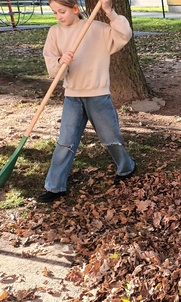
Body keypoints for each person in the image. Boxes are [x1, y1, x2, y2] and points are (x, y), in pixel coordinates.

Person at [37, 0, 136, 203]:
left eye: (62, 11)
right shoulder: (55, 33)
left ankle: (126, 167)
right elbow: (52, 68)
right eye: (55, 12)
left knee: (110, 137)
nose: (58, 16)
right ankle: (55, 186)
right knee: (65, 141)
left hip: (97, 94)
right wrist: (60, 62)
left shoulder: (97, 29)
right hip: (72, 96)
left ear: (75, 9)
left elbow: (124, 35)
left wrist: (109, 11)